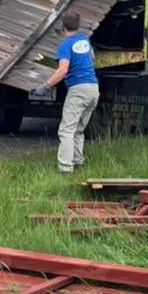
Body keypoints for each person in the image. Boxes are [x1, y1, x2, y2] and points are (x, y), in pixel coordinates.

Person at [44, 12, 98, 173]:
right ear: (78, 26)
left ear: (63, 28)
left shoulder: (65, 45)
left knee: (66, 130)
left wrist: (46, 85)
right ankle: (78, 161)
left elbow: (63, 70)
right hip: (93, 89)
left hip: (78, 91)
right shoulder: (84, 39)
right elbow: (92, 58)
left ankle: (65, 169)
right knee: (78, 129)